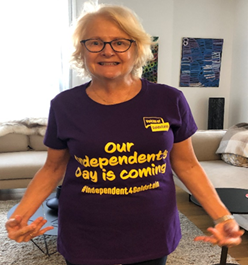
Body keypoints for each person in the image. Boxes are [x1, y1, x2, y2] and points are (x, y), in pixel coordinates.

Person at [5, 3, 244, 265]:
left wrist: (223, 217)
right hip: (85, 233)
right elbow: (52, 169)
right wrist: (21, 217)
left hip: (151, 230)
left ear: (137, 48)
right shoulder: (64, 105)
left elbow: (187, 164)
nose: (107, 51)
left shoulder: (169, 99)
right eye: (95, 42)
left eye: (120, 42)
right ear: (81, 50)